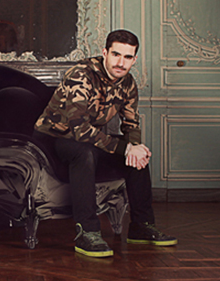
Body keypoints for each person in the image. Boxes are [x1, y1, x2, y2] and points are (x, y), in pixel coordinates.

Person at [34, 29, 176, 257]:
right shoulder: (81, 75)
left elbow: (131, 124)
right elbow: (79, 129)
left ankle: (141, 226)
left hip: (88, 140)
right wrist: (125, 148)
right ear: (105, 53)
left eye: (128, 57)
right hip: (53, 140)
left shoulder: (128, 83)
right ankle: (87, 232)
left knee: (139, 154)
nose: (121, 63)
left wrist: (135, 148)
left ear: (134, 59)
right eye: (116, 55)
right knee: (86, 153)